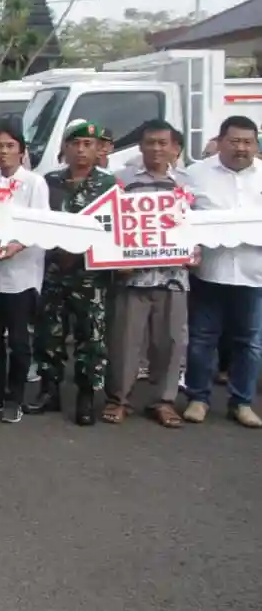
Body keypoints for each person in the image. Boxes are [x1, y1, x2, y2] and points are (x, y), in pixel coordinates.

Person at [28, 120, 115, 425]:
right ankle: (49, 391)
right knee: (49, 334)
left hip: (89, 276)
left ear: (98, 149)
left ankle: (86, 396)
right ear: (65, 148)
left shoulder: (110, 186)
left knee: (90, 337)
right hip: (52, 272)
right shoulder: (48, 182)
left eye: (88, 145)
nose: (81, 150)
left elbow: (115, 233)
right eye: (75, 144)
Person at [106, 120, 190, 428]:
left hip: (174, 276)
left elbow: (197, 226)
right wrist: (117, 259)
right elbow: (109, 224)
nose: (156, 148)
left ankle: (164, 401)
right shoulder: (121, 181)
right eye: (150, 142)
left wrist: (195, 252)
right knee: (125, 340)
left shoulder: (187, 183)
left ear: (174, 148)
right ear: (140, 147)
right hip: (132, 277)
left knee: (170, 342)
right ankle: (119, 399)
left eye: (162, 143)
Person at [183, 115, 262, 428]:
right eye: (235, 141)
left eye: (248, 142)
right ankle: (198, 398)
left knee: (250, 343)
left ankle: (241, 403)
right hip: (209, 272)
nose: (241, 148)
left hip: (254, 274)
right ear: (220, 141)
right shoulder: (195, 175)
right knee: (202, 340)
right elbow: (178, 218)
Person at [0, 123, 49, 424]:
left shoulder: (34, 183)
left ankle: (15, 398)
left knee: (18, 340)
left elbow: (40, 225)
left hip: (21, 275)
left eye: (9, 146)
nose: (3, 152)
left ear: (21, 150)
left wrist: (16, 246)